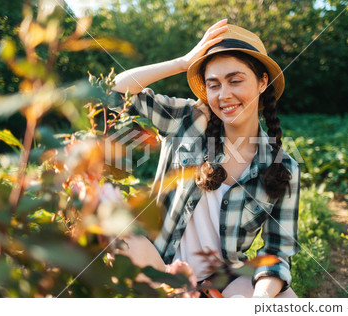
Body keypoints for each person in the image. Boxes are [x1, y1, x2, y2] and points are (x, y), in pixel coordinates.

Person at [110, 19, 300, 298]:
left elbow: (277, 252)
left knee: (284, 299)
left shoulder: (284, 168)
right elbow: (113, 93)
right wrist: (183, 62)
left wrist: (257, 301)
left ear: (262, 82)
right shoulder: (188, 120)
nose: (225, 95)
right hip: (156, 264)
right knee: (123, 239)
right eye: (214, 85)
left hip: (219, 281)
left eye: (235, 80)